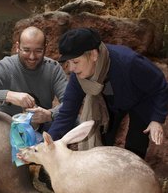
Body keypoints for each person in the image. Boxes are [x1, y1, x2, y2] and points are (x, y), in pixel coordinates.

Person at [0, 26, 68, 189]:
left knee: (74, 121)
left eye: (38, 51)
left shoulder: (53, 68)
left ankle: (47, 172)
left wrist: (49, 114)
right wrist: (9, 95)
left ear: (46, 48)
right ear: (17, 47)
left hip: (43, 132)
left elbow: (70, 104)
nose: (32, 57)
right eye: (26, 50)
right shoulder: (5, 66)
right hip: (8, 130)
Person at [48, 27, 168, 159]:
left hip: (141, 99)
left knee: (136, 144)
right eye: (68, 63)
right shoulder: (79, 77)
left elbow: (160, 86)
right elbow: (67, 114)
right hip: (109, 104)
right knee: (103, 139)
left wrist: (157, 119)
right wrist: (47, 144)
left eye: (75, 62)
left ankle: (130, 175)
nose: (71, 68)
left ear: (94, 55)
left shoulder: (129, 62)